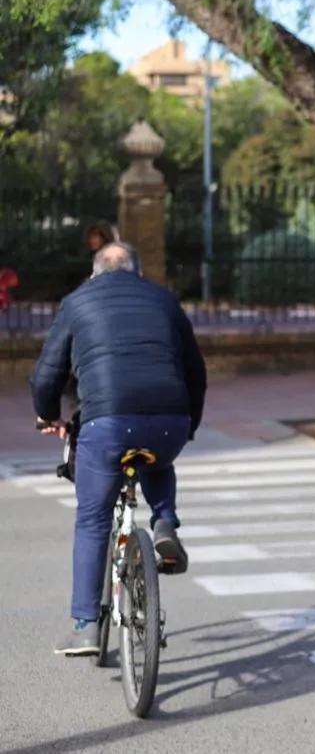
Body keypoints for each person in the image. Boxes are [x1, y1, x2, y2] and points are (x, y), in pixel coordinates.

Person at [30, 242, 207, 657]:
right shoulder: (164, 300)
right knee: (156, 453)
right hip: (170, 420)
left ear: (95, 273)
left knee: (92, 518)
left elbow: (47, 374)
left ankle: (86, 625)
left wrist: (47, 415)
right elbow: (195, 373)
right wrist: (188, 426)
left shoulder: (77, 302)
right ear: (137, 272)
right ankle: (165, 524)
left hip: (108, 422)